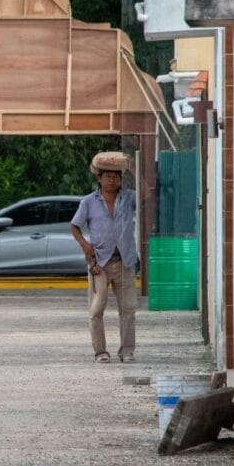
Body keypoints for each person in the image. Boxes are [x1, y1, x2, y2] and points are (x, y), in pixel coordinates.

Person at [70, 151, 138, 364]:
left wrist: (134, 171)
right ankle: (100, 352)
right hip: (99, 262)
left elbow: (147, 195)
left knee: (127, 309)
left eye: (116, 176)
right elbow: (75, 226)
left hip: (125, 261)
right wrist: (85, 246)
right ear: (99, 178)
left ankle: (126, 352)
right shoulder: (89, 202)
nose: (112, 180)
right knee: (97, 309)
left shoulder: (128, 198)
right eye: (107, 176)